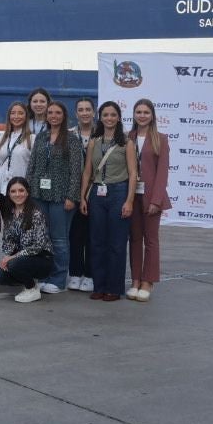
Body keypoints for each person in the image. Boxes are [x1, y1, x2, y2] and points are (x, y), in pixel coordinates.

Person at [80, 101, 138, 303]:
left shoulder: (126, 142)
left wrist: (129, 201)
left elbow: (132, 174)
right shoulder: (94, 142)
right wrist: (83, 197)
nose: (109, 118)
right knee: (96, 242)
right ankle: (99, 285)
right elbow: (87, 171)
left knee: (117, 243)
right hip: (97, 193)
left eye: (113, 115)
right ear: (100, 117)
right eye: (105, 115)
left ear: (119, 117)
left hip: (118, 192)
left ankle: (114, 288)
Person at [28, 101, 84, 295]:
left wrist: (72, 196)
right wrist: (29, 192)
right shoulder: (41, 137)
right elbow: (32, 165)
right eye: (50, 112)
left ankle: (59, 279)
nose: (53, 115)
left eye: (57, 112)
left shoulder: (72, 139)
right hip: (39, 194)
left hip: (62, 196)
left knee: (59, 239)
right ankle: (44, 275)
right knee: (43, 238)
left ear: (64, 115)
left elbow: (77, 171)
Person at [127, 99, 169, 302]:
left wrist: (157, 199)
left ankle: (148, 281)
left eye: (146, 112)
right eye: (138, 112)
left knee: (150, 240)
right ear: (134, 115)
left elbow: (162, 173)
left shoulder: (161, 139)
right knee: (134, 239)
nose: (142, 115)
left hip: (152, 197)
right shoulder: (128, 137)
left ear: (152, 115)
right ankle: (135, 279)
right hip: (131, 196)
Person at [0, 178, 54, 304]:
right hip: (22, 258)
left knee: (13, 264)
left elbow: (38, 246)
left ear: (27, 192)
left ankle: (31, 288)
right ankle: (28, 281)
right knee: (0, 275)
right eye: (13, 191)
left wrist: (13, 258)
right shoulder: (9, 213)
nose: (17, 194)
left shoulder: (36, 214)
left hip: (42, 258)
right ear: (9, 194)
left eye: (21, 190)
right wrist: (7, 256)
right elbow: (7, 240)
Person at [67, 97, 99, 291]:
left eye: (88, 109)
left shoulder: (103, 134)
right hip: (74, 189)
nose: (85, 112)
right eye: (81, 109)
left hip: (96, 190)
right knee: (75, 234)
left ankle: (90, 274)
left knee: (93, 235)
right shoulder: (69, 134)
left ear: (93, 112)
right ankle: (75, 273)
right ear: (76, 113)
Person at [0, 101, 33, 203]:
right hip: (2, 190)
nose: (16, 116)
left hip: (21, 191)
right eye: (13, 113)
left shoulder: (32, 139)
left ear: (26, 117)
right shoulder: (3, 138)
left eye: (20, 113)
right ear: (9, 116)